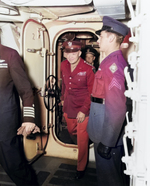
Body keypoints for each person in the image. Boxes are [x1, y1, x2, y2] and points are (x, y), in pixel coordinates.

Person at [87, 16, 130, 186]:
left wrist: (107, 141)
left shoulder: (114, 66)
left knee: (109, 180)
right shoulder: (109, 62)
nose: (98, 39)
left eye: (101, 36)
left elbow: (117, 108)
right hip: (102, 127)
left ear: (111, 38)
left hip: (107, 134)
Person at [0, 29, 40, 186]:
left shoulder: (9, 55)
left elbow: (25, 89)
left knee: (13, 166)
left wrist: (28, 119)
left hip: (4, 122)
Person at [60, 40, 95, 179]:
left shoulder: (88, 69)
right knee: (70, 131)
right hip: (69, 106)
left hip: (83, 109)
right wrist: (62, 99)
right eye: (67, 53)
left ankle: (81, 168)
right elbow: (64, 84)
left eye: (74, 53)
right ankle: (87, 140)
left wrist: (84, 110)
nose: (70, 56)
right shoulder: (63, 65)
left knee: (82, 140)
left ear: (79, 53)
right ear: (64, 54)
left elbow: (92, 92)